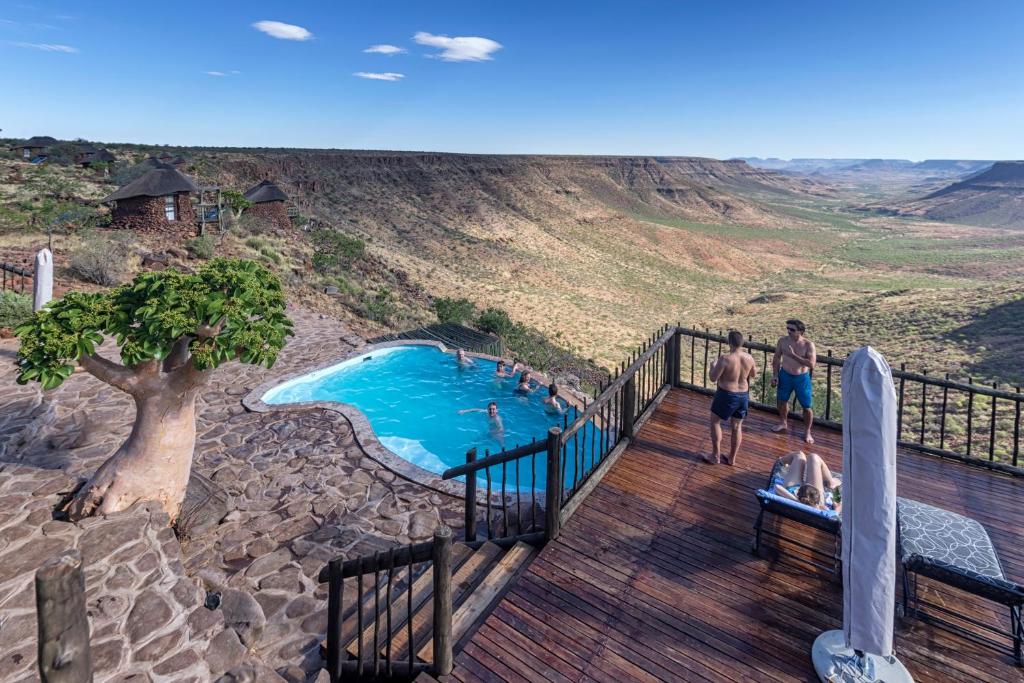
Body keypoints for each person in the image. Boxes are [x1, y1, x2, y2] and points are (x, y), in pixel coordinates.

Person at [705, 330, 757, 465]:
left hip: (727, 394)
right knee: (736, 427)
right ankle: (732, 458)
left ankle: (715, 456)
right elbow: (753, 374)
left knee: (715, 422)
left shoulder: (725, 359)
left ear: (729, 343)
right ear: (742, 343)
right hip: (743, 395)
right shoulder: (749, 358)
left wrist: (712, 366)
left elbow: (713, 378)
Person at [772, 319, 817, 444]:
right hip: (785, 374)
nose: (789, 331)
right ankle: (783, 422)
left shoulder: (808, 345)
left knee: (807, 406)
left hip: (801, 378)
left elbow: (811, 364)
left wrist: (793, 355)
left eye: (792, 329)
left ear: (801, 332)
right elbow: (776, 358)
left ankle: (807, 431)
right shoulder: (782, 341)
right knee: (782, 400)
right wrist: (775, 375)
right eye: (788, 329)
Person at [773, 451, 841, 514]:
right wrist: (836, 508)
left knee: (799, 455)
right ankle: (831, 482)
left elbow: (777, 487)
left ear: (798, 492)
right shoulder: (823, 510)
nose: (806, 482)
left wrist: (797, 501)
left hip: (793, 491)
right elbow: (836, 510)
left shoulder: (795, 499)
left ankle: (781, 461)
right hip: (814, 499)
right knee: (814, 457)